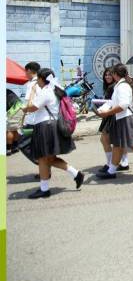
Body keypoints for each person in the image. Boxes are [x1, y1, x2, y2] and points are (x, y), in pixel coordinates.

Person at [21, 68, 84, 199]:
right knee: (49, 158)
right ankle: (76, 174)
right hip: (52, 126)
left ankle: (44, 189)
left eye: (38, 78)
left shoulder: (46, 91)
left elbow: (33, 107)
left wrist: (24, 108)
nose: (36, 81)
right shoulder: (55, 88)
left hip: (46, 127)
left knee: (43, 158)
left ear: (42, 79)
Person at [97, 67, 129, 173]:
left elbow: (115, 103)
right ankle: (123, 162)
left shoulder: (115, 87)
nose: (107, 76)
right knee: (118, 141)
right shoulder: (111, 86)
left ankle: (111, 163)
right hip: (111, 115)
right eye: (106, 75)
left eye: (110, 74)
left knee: (106, 139)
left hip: (112, 115)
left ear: (115, 75)